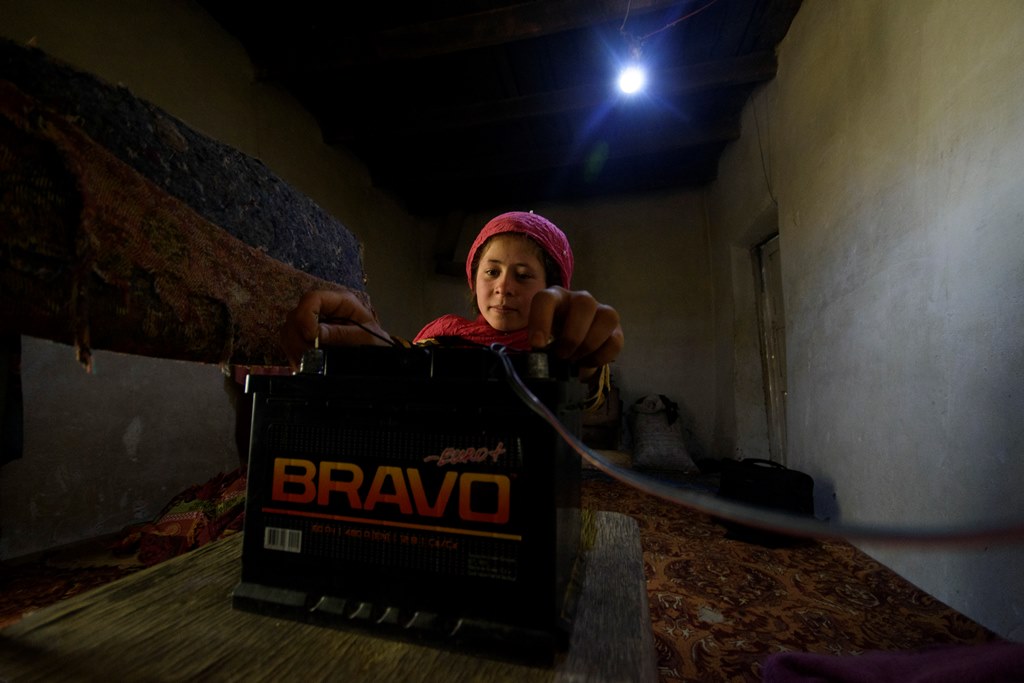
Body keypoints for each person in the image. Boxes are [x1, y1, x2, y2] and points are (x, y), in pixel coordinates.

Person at [280, 211, 623, 381]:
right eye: (491, 272)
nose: (504, 287)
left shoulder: (561, 351)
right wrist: (375, 358)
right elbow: (407, 375)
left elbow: (584, 393)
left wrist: (584, 359)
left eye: (523, 275)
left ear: (553, 287)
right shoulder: (442, 336)